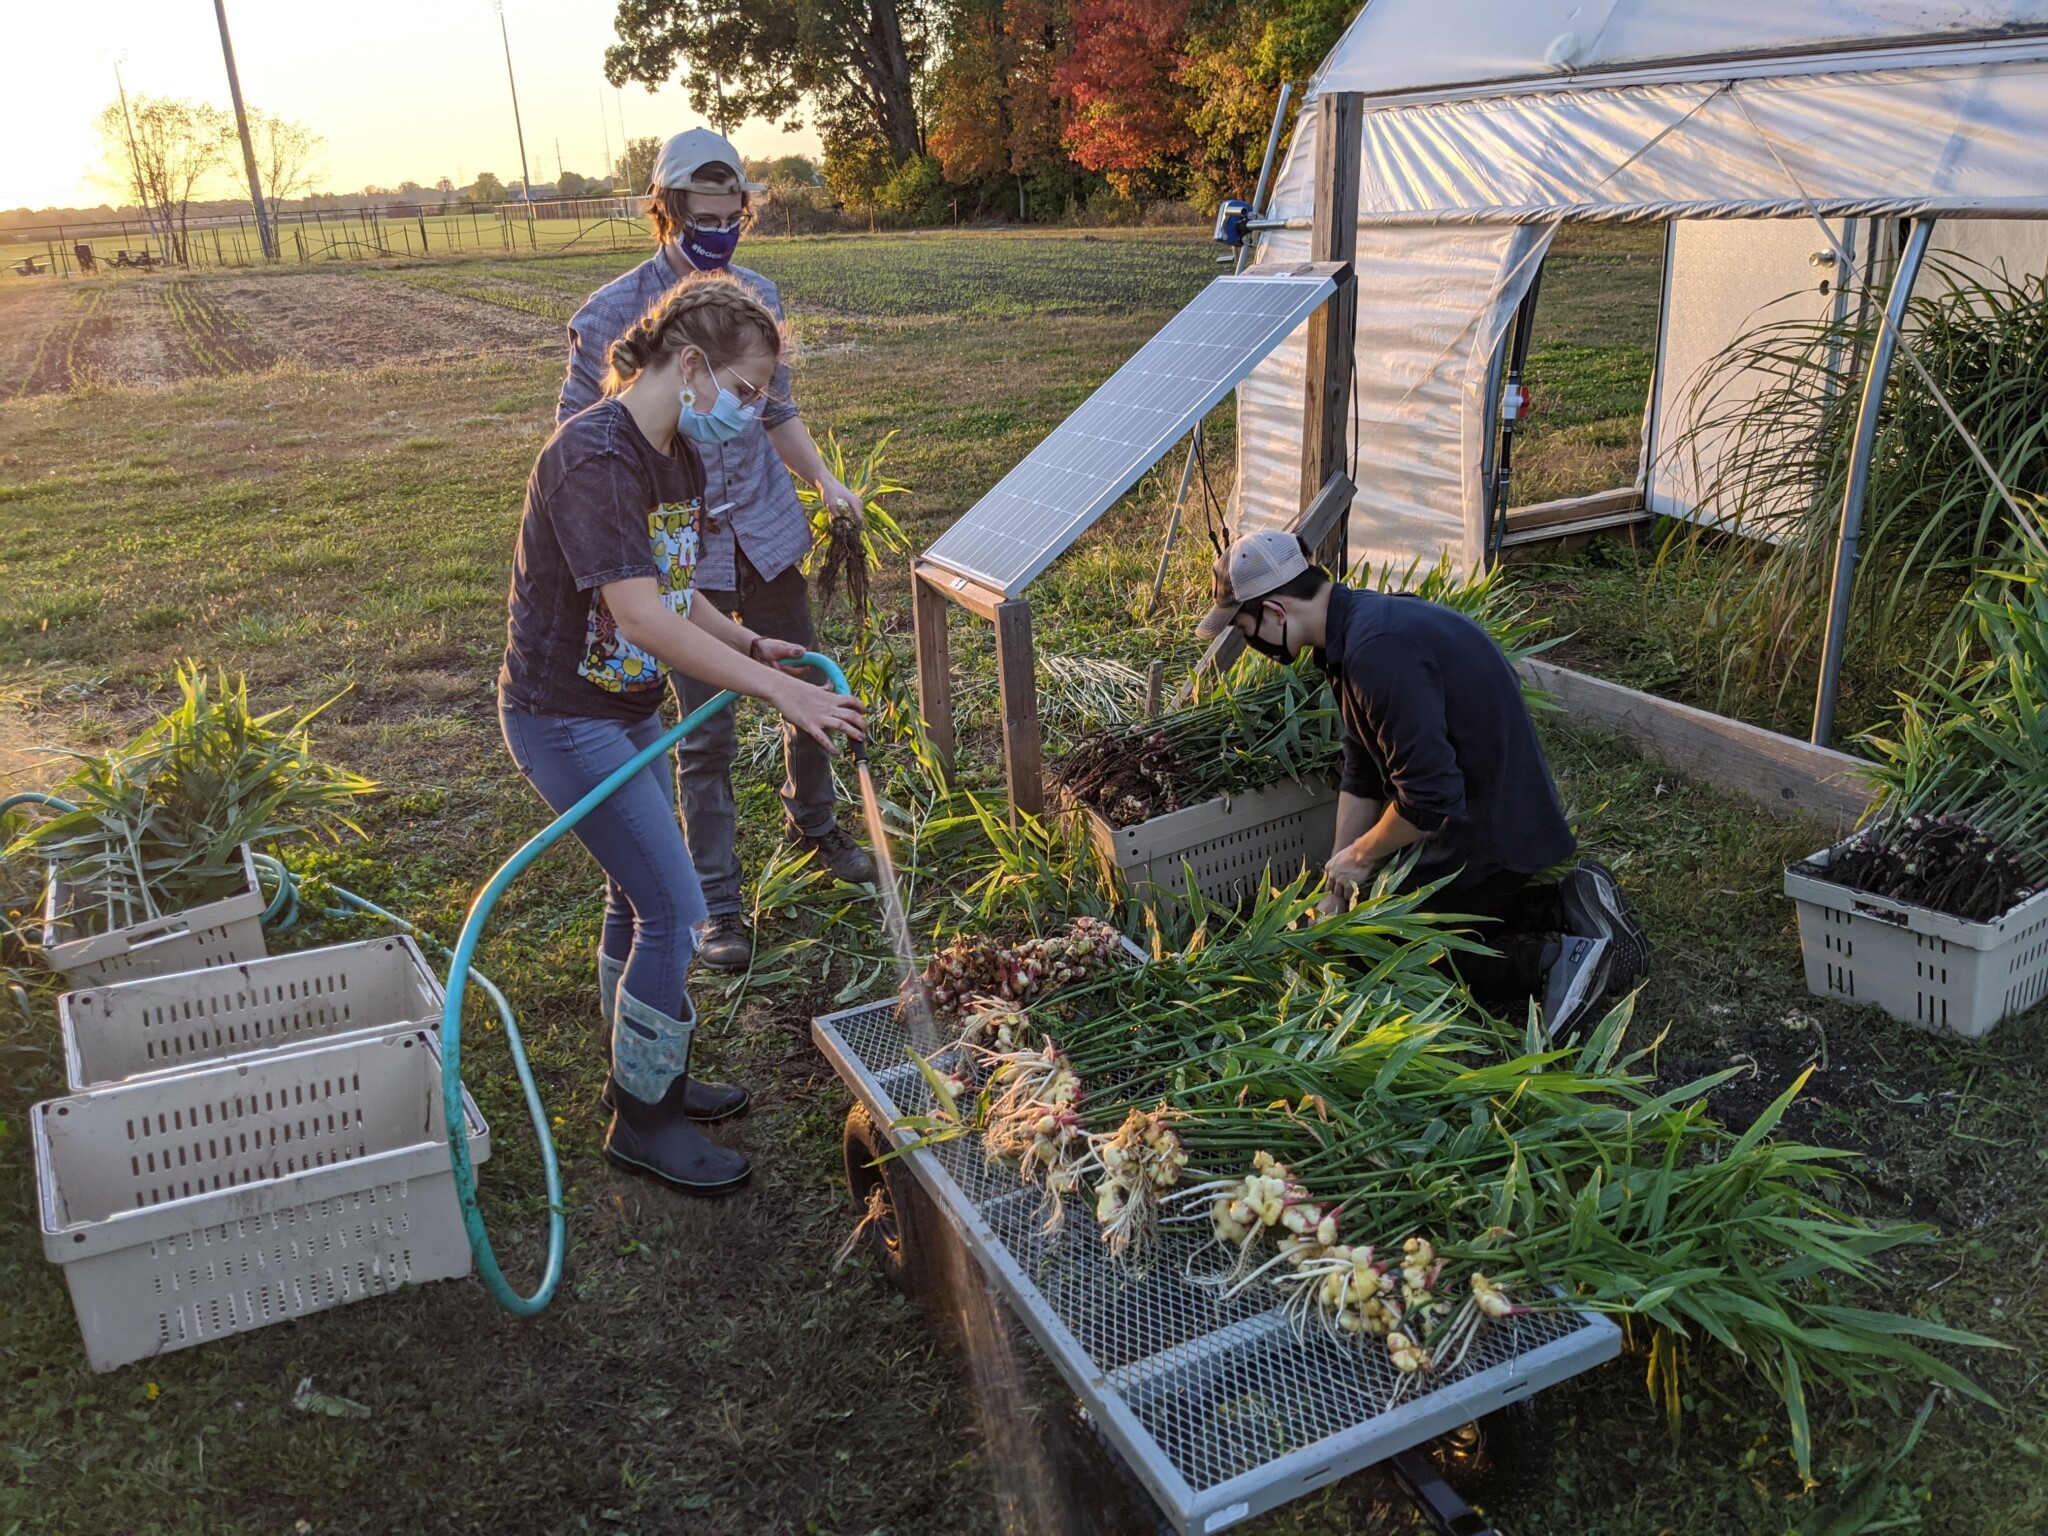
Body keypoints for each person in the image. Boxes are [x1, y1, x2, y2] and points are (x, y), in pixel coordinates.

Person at [501, 272, 867, 1193]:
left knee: (637, 898)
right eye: (744, 393)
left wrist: (746, 639)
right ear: (691, 364)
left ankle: (640, 1074)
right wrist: (776, 695)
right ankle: (643, 1123)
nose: (748, 415)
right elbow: (641, 620)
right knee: (676, 907)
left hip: (621, 707)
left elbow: (672, 586)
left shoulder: (676, 451)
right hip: (561, 713)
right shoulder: (596, 457)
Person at [558, 127, 875, 975]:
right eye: (701, 227)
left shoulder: (756, 296)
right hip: (678, 552)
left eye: (730, 223)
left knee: (807, 678)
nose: (717, 242)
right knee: (705, 727)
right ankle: (717, 902)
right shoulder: (608, 314)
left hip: (763, 529)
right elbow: (587, 444)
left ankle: (815, 828)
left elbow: (774, 413)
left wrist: (824, 482)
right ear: (663, 215)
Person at [1195, 530, 1651, 1032]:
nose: (1250, 642)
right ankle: (1566, 900)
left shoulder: (1377, 651)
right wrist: (1339, 881)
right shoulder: (1351, 632)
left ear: (1276, 613)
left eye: (1245, 627)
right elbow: (1363, 767)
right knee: (1367, 915)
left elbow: (1429, 799)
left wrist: (1364, 856)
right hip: (1485, 804)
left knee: (1385, 941)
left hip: (1489, 824)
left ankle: (1552, 962)